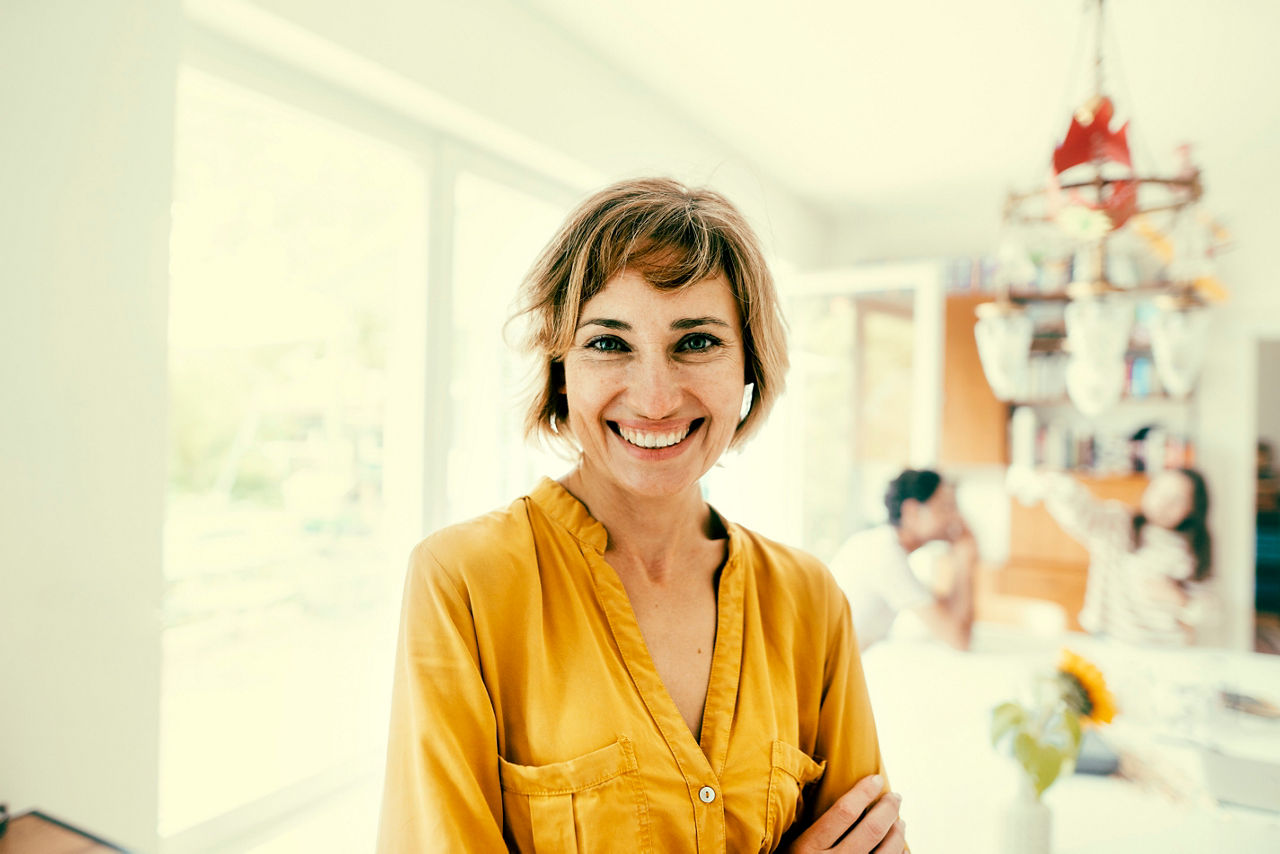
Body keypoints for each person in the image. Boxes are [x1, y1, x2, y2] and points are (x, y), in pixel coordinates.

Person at [376, 178, 906, 853]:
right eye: (608, 343)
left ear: (749, 366)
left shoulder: (809, 599)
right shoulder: (464, 583)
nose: (655, 397)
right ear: (559, 367)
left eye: (697, 343)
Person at [1007, 466, 1213, 645]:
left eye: (1176, 499)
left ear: (1192, 509)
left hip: (1165, 649)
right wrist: (1058, 485)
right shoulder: (1118, 525)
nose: (1163, 502)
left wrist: (1179, 598)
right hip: (1109, 640)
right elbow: (1083, 513)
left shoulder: (1191, 552)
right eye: (1159, 490)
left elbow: (1206, 614)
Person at [828, 470, 977, 652]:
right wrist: (965, 563)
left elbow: (950, 612)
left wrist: (961, 558)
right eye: (945, 507)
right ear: (912, 511)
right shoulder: (883, 555)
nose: (955, 518)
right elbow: (958, 639)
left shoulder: (881, 544)